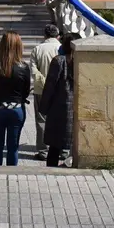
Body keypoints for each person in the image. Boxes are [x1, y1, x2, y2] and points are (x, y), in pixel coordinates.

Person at [0, 31, 31, 166]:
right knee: (13, 146)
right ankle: (11, 173)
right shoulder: (23, 66)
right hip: (16, 109)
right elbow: (26, 92)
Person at [40, 33, 76, 167]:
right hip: (75, 108)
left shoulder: (58, 61)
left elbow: (50, 86)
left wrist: (43, 108)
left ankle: (51, 171)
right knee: (73, 146)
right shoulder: (80, 61)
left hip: (58, 109)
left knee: (54, 147)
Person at [29, 24, 61, 161]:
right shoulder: (61, 49)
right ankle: (60, 148)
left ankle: (42, 150)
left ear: (45, 35)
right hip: (59, 90)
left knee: (41, 120)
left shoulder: (37, 49)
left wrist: (43, 83)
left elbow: (34, 71)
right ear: (57, 35)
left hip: (41, 90)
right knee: (60, 119)